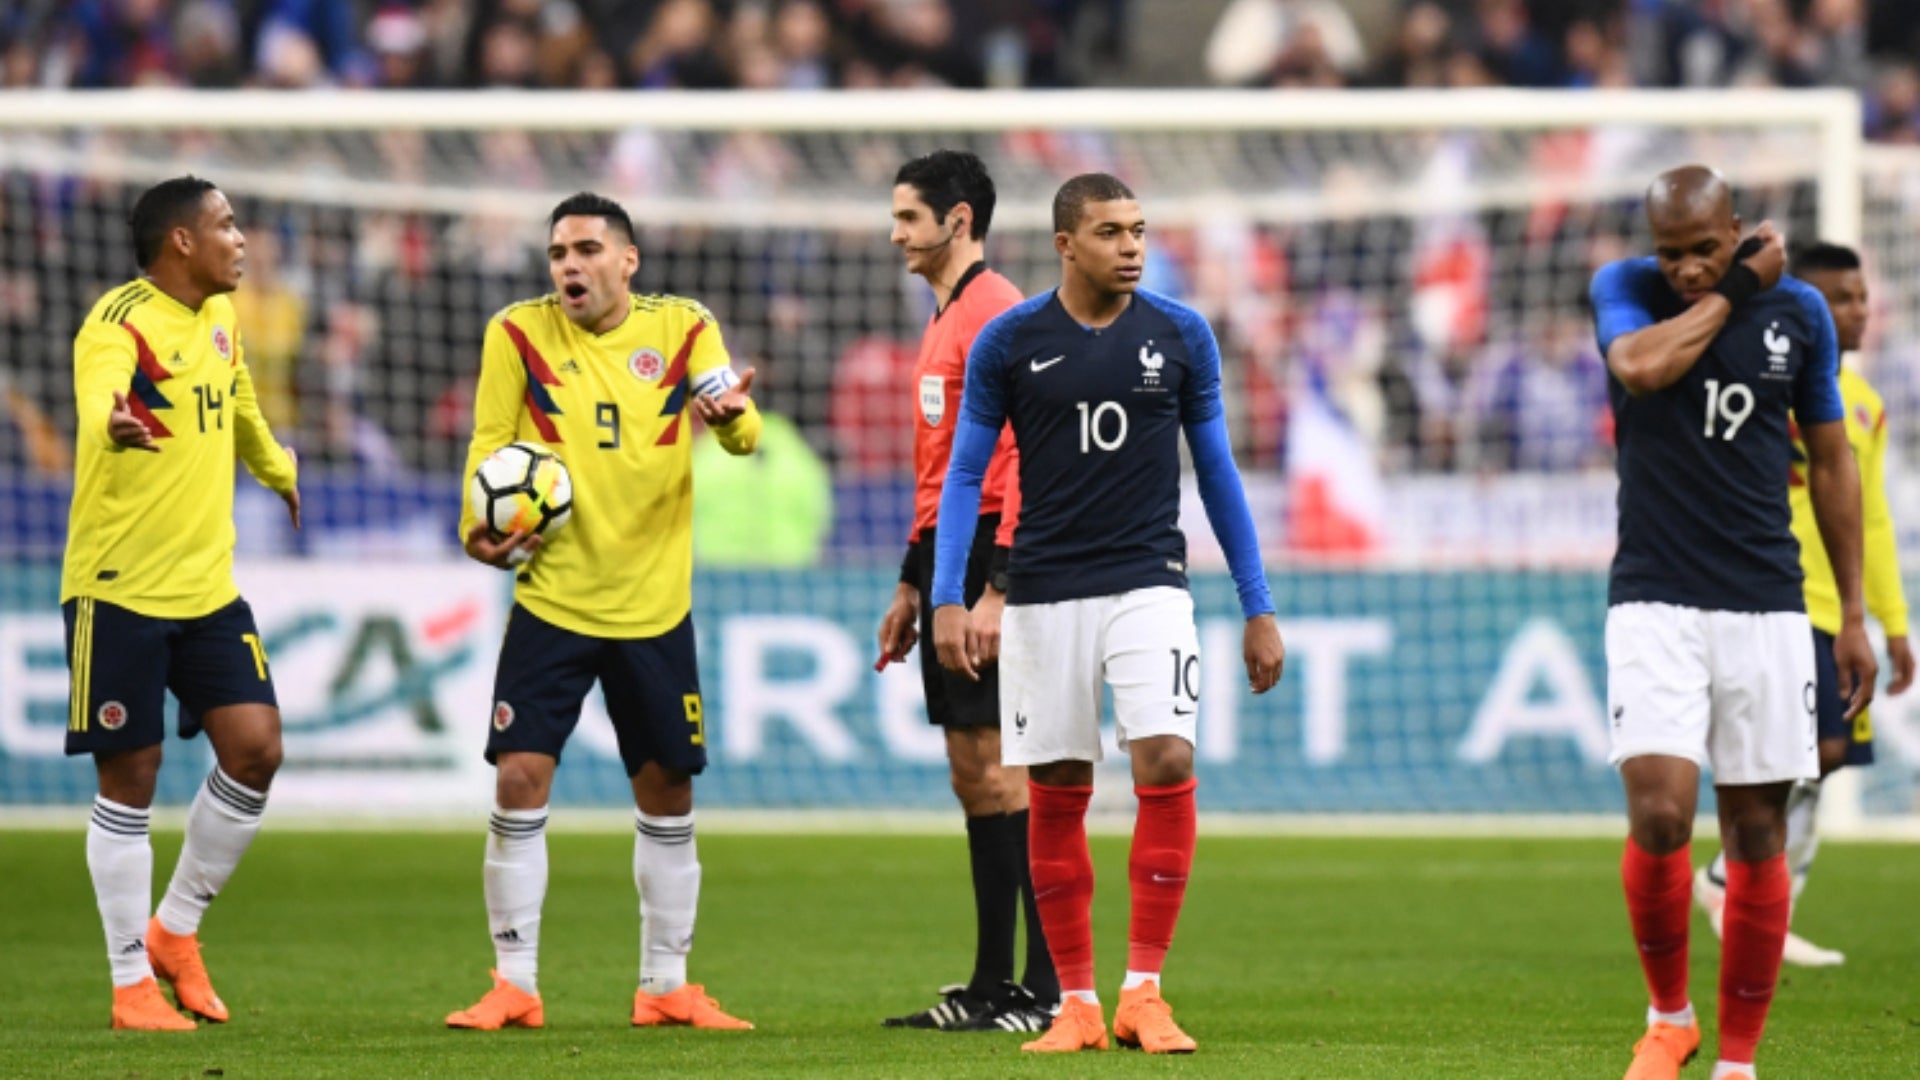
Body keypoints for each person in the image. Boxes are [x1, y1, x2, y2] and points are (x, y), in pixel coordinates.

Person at [932, 173, 1286, 1054]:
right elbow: (967, 476)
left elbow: (1218, 474)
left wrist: (1258, 603)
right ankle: (1077, 1005)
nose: (1131, 246)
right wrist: (947, 596)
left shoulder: (1181, 334)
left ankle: (1144, 991)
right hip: (1044, 589)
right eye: (1110, 232)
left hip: (1149, 581)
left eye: (1137, 230)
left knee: (1165, 755)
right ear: (1064, 244)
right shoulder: (1010, 343)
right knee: (1056, 786)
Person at [445, 193, 758, 1033]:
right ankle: (514, 982)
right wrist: (475, 524)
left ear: (628, 260)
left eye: (586, 249)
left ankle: (665, 985)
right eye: (557, 253)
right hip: (553, 598)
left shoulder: (685, 328)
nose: (569, 266)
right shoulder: (516, 333)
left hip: (654, 605)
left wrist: (733, 422)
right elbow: (487, 444)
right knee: (518, 776)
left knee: (666, 790)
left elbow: (740, 420)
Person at [1589, 167, 1875, 1080]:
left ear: (1738, 228)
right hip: (1653, 595)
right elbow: (1641, 369)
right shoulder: (1624, 290)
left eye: (1704, 251)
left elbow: (1833, 464)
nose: (1682, 270)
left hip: (1765, 603)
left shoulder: (1802, 315)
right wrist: (1736, 285)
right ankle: (1667, 1019)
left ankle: (1738, 1064)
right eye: (1670, 253)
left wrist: (1857, 614)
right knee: (1664, 813)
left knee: (1757, 832)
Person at [65, 175, 301, 1030]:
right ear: (182, 243)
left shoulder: (222, 319)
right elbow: (101, 393)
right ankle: (131, 983)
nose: (242, 239)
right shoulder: (119, 320)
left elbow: (237, 406)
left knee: (257, 749)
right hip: (119, 587)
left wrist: (277, 469)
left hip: (208, 588)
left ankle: (176, 931)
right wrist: (111, 423)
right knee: (132, 778)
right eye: (227, 225)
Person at [874, 149, 1058, 1033]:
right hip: (951, 550)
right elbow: (937, 468)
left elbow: (1023, 453)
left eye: (908, 217)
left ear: (957, 220)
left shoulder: (997, 311)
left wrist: (997, 587)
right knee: (972, 769)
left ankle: (1046, 985)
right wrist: (915, 583)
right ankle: (993, 985)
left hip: (995, 553)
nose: (896, 232)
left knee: (1008, 767)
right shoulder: (945, 315)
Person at [1694, 241, 1915, 966]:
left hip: (1832, 608)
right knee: (1811, 752)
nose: (1857, 310)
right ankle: (1733, 883)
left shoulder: (1867, 406)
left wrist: (1892, 621)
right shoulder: (1761, 379)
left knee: (1825, 761)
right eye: (1838, 298)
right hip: (1769, 597)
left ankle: (1756, 904)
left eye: (1860, 296)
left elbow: (1873, 518)